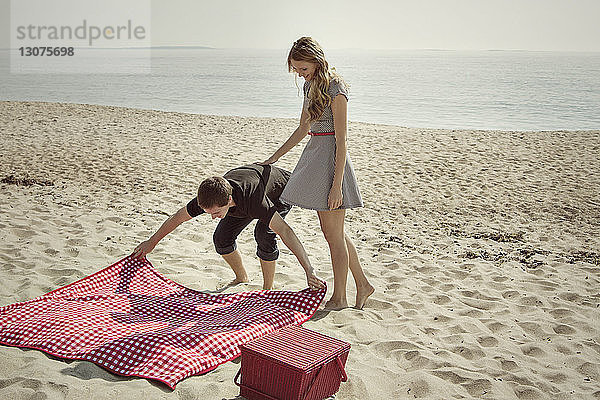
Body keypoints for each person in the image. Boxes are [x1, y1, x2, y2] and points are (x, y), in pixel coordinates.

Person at [261, 37, 374, 309]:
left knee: (333, 235)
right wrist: (275, 156)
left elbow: (342, 140)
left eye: (303, 68)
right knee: (334, 232)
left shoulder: (337, 87)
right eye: (297, 70)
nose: (301, 74)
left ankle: (340, 297)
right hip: (315, 156)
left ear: (315, 59)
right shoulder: (310, 86)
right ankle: (363, 284)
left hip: (333, 163)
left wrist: (337, 187)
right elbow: (303, 128)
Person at [132, 163, 325, 291]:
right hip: (246, 192)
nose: (213, 217)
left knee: (263, 233)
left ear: (229, 200)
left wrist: (308, 269)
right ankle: (242, 277)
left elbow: (285, 231)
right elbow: (177, 218)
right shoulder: (210, 196)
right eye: (209, 213)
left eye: (216, 212)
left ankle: (267, 289)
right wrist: (151, 242)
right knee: (222, 238)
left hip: (281, 191)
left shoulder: (254, 201)